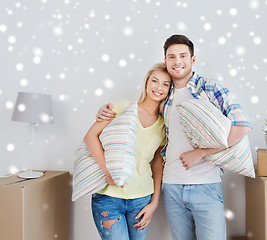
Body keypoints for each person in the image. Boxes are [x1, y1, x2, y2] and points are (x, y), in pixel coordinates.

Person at [97, 35, 252, 240]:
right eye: (171, 57)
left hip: (206, 185)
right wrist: (105, 113)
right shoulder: (164, 95)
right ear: (165, 61)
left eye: (182, 56)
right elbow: (142, 121)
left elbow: (242, 126)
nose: (177, 61)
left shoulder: (209, 88)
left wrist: (201, 153)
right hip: (171, 188)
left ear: (192, 60)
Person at [84, 63, 171, 240]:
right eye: (154, 81)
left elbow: (157, 164)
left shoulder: (163, 125)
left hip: (141, 199)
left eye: (165, 84)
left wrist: (154, 203)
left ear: (170, 89)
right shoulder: (124, 107)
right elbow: (90, 137)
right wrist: (108, 172)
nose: (158, 87)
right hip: (109, 197)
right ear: (147, 83)